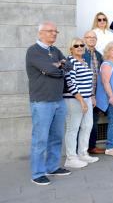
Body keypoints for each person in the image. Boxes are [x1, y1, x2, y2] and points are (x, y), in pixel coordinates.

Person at [26, 21, 73, 185]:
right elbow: (54, 70)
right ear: (40, 33)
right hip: (42, 102)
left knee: (56, 136)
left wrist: (57, 66)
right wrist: (56, 67)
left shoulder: (55, 50)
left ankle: (52, 167)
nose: (53, 34)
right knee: (40, 139)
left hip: (58, 100)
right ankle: (37, 173)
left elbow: (69, 65)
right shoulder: (33, 51)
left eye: (55, 31)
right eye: (50, 31)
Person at [63, 38, 98, 169]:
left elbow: (88, 83)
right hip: (74, 100)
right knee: (73, 128)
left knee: (87, 125)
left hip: (86, 99)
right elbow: (70, 83)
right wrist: (81, 100)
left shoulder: (83, 61)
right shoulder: (69, 61)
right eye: (76, 45)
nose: (79, 47)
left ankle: (83, 153)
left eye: (81, 45)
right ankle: (71, 158)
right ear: (71, 48)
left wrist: (91, 97)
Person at [83, 30, 105, 155]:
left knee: (93, 121)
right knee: (83, 123)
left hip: (96, 94)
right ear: (85, 39)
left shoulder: (98, 55)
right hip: (84, 94)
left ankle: (91, 146)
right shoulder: (81, 53)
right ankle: (81, 149)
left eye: (94, 37)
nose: (91, 39)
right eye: (89, 37)